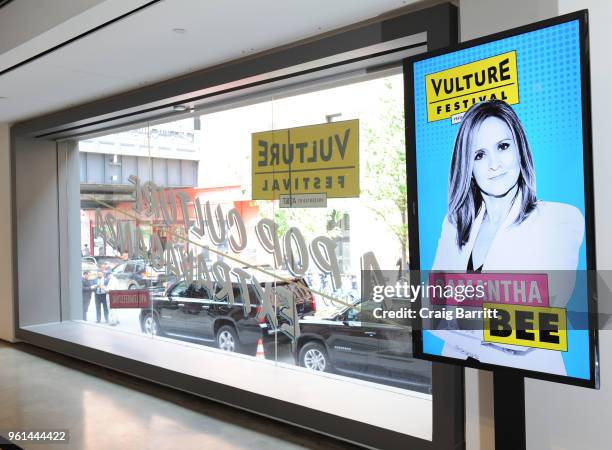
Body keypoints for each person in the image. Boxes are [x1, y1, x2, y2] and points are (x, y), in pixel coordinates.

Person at [430, 100, 585, 375]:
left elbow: (531, 328)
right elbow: (434, 313)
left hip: (537, 386)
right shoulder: (454, 224)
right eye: (478, 154)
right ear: (468, 167)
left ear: (520, 149)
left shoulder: (561, 220)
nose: (494, 164)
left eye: (503, 146)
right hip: (460, 374)